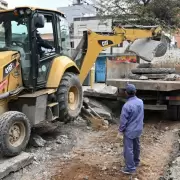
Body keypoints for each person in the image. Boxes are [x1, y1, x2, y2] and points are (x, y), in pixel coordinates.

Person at [118, 83, 144, 174]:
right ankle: (136, 162)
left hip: (130, 131)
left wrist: (120, 131)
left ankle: (130, 168)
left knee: (128, 149)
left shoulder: (127, 106)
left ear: (126, 93)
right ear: (135, 91)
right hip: (139, 129)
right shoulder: (140, 102)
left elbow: (123, 121)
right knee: (136, 146)